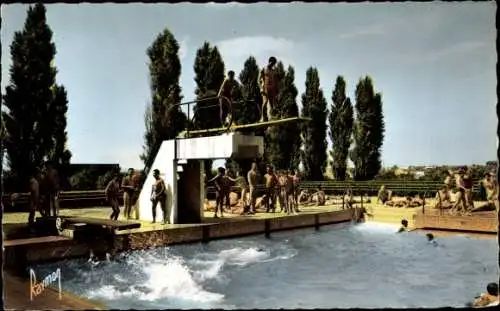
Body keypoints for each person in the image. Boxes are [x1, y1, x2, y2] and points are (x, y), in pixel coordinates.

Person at [258, 56, 278, 122]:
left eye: (274, 63)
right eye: (272, 62)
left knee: (272, 104)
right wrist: (261, 88)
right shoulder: (264, 69)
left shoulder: (273, 71)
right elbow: (259, 80)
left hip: (272, 89)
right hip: (265, 88)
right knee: (265, 102)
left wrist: (275, 89)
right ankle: (263, 117)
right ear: (269, 61)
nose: (273, 64)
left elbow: (275, 80)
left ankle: (271, 117)